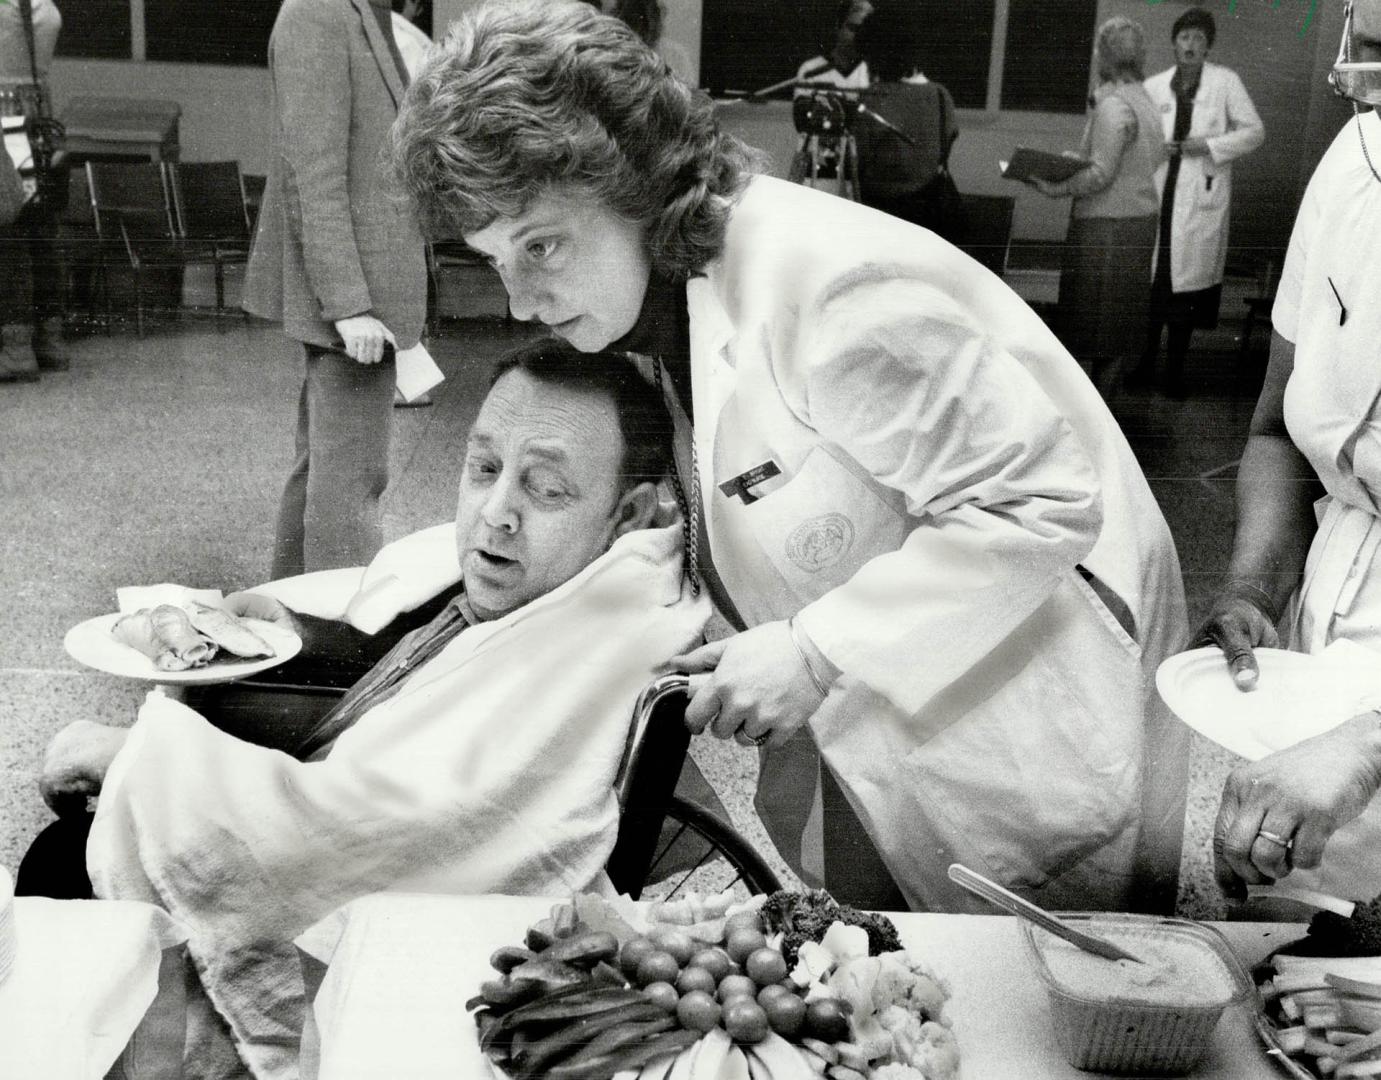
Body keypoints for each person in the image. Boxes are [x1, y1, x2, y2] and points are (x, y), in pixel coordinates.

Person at [392, 0, 1190, 915]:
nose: (524, 300)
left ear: (635, 181)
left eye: (540, 245)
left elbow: (1038, 503)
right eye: (497, 261)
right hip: (878, 714)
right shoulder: (659, 309)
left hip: (1029, 705)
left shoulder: (826, 286)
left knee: (1025, 1010)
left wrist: (815, 652)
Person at [28, 339, 710, 1080]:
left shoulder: (586, 646)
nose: (495, 514)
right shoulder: (571, 584)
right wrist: (299, 631)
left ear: (630, 512)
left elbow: (394, 821)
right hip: (339, 827)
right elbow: (426, 652)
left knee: (63, 870)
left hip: (371, 917)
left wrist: (134, 757)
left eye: (545, 489)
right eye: (482, 468)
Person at [1195, 0, 1381, 900]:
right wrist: (1254, 586)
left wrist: (1367, 740)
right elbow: (1277, 431)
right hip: (1333, 617)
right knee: (1301, 953)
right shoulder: (1352, 160)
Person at [243, 0, 428, 578]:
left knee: (324, 466)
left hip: (368, 294)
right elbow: (312, 175)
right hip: (354, 306)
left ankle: (291, 616)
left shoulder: (363, 12)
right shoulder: (316, 14)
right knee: (351, 482)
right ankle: (342, 644)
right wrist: (348, 307)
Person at [1027, 17, 1165, 395]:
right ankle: (1108, 418)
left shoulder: (1113, 106)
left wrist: (1054, 186)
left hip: (1106, 230)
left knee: (1095, 330)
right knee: (1118, 332)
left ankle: (1090, 420)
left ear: (1105, 56)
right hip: (1139, 225)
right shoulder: (1146, 101)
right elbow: (1136, 159)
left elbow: (1100, 174)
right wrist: (1077, 159)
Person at [1134, 6, 1263, 397]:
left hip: (1198, 192)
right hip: (1161, 190)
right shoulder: (1155, 86)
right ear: (1174, 44)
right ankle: (1143, 367)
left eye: (1199, 39)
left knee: (1185, 293)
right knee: (1154, 287)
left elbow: (1254, 132)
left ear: (1208, 48)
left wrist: (1205, 145)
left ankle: (1174, 373)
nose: (1191, 45)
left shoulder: (1226, 82)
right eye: (1185, 38)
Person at [850, 5, 961, 240]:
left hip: (880, 219)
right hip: (932, 223)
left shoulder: (874, 98)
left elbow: (856, 163)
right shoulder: (942, 96)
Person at [0, 0, 66, 383]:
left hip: (4, 130)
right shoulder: (45, 7)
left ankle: (16, 348)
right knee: (41, 235)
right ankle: (50, 340)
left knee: (7, 234)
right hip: (37, 127)